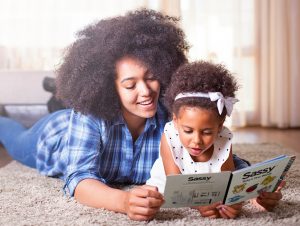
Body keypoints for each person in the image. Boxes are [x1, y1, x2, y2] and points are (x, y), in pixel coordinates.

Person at [0, 9, 255, 221]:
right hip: (53, 136)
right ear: (109, 87)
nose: (146, 92)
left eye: (151, 77)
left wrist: (254, 189)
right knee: (13, 134)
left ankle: (53, 97)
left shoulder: (174, 116)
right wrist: (123, 201)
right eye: (130, 85)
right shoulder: (90, 115)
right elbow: (78, 177)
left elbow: (217, 155)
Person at [146, 61, 285, 219]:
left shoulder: (224, 139)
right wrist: (198, 204)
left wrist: (231, 204)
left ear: (219, 127)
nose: (196, 140)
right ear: (176, 121)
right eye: (188, 131)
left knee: (244, 174)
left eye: (206, 132)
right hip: (171, 185)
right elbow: (177, 187)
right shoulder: (169, 135)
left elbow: (228, 182)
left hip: (210, 185)